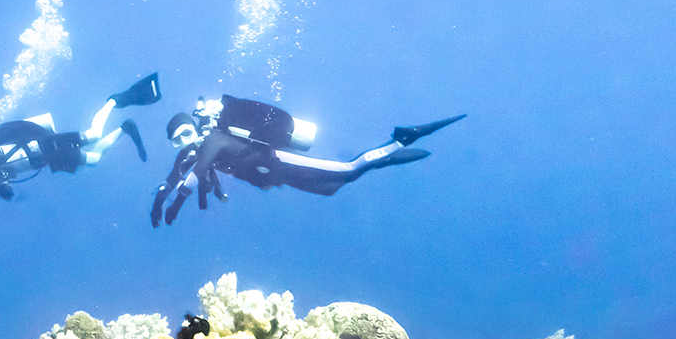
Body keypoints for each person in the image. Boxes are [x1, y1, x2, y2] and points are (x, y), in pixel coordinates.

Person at [149, 96, 464, 227]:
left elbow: (199, 169)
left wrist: (175, 202)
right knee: (330, 189)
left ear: (196, 126)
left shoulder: (214, 139)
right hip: (279, 174)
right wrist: (162, 200)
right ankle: (385, 158)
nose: (184, 142)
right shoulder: (196, 152)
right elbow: (181, 175)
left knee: (349, 170)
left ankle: (401, 139)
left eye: (186, 133)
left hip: (281, 161)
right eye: (177, 140)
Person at [0, 73, 161, 200]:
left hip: (47, 145)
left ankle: (114, 101)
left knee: (94, 134)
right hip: (50, 158)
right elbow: (3, 180)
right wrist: (3, 186)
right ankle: (125, 128)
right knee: (94, 159)